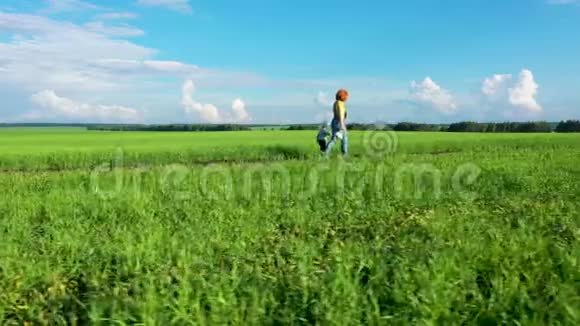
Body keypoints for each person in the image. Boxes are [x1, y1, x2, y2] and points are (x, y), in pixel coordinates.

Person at [325, 89, 349, 156]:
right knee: (344, 139)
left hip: (334, 121)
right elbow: (341, 113)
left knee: (334, 139)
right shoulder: (340, 103)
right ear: (344, 96)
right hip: (339, 122)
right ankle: (345, 155)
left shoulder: (335, 102)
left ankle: (325, 154)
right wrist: (342, 124)